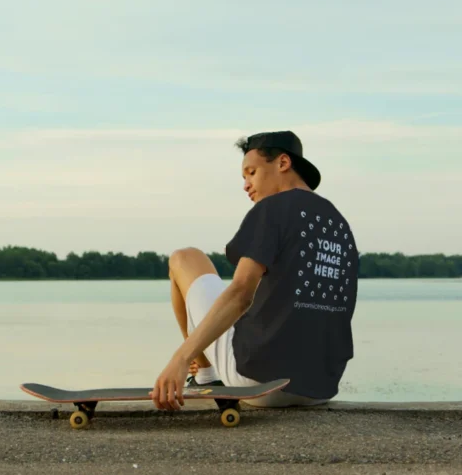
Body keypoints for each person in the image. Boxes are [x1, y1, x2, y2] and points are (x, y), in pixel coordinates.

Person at [150, 130, 359, 411]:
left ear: (283, 163)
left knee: (184, 258)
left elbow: (240, 294)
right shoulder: (339, 222)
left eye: (251, 172)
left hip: (259, 382)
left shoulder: (272, 208)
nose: (247, 185)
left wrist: (180, 358)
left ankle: (204, 374)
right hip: (321, 387)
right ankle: (208, 371)